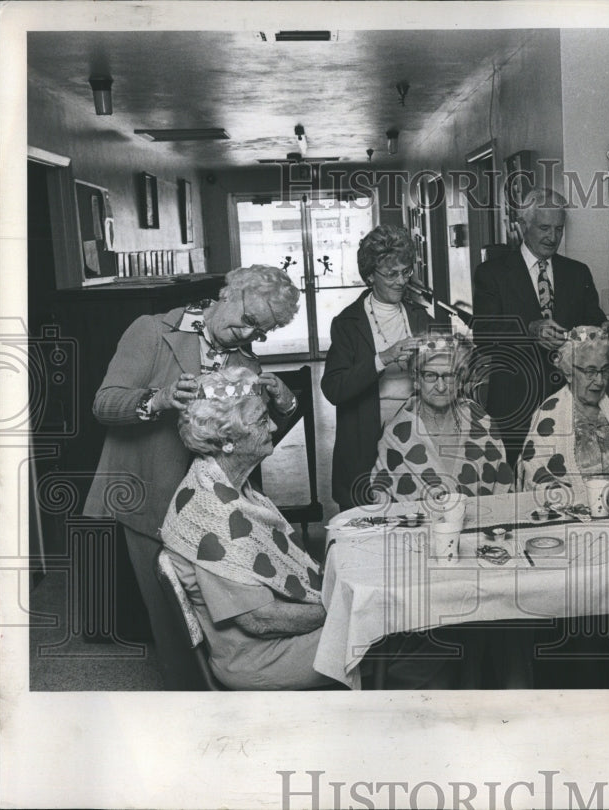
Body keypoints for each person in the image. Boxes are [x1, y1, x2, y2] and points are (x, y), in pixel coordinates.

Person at [83, 264, 301, 688]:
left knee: (220, 613)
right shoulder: (151, 330)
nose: (248, 335)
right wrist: (158, 398)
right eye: (250, 321)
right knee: (172, 621)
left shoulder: (244, 360)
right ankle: (189, 704)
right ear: (230, 291)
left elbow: (251, 428)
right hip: (149, 492)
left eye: (261, 332)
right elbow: (103, 404)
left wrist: (285, 402)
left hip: (214, 501)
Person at [160, 368, 338, 690]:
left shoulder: (229, 485)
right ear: (227, 442)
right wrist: (338, 608)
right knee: (385, 630)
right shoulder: (211, 515)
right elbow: (259, 619)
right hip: (257, 658)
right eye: (261, 420)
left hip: (268, 641)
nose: (272, 426)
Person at [473, 187, 609, 469]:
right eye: (544, 227)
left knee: (575, 474)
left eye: (558, 229)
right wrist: (529, 330)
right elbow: (484, 334)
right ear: (522, 226)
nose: (552, 237)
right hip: (514, 402)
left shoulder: (578, 272)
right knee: (518, 482)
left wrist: (605, 329)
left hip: (572, 401)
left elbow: (592, 319)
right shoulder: (492, 274)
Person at [321, 225, 431, 511]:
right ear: (370, 275)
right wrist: (382, 359)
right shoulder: (347, 323)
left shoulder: (420, 317)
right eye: (391, 274)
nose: (400, 282)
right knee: (368, 519)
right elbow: (333, 389)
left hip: (416, 435)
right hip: (365, 441)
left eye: (406, 272)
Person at [369, 334, 514, 502]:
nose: (441, 386)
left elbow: (505, 490)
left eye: (449, 376)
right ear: (416, 380)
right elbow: (381, 501)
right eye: (430, 375)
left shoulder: (482, 424)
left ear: (460, 381)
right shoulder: (395, 436)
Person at [519, 325, 609, 492]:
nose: (600, 381)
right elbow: (535, 473)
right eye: (590, 371)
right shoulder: (547, 416)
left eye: (605, 370)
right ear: (568, 371)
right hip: (571, 511)